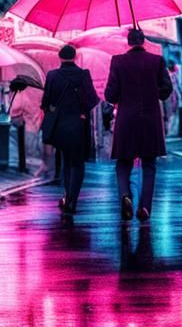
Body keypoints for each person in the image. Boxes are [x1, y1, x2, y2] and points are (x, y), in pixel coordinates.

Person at [104, 27, 173, 222]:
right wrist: (153, 91)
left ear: (128, 42)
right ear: (143, 41)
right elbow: (166, 90)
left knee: (123, 163)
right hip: (150, 119)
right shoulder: (157, 61)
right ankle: (145, 207)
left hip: (126, 119)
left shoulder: (118, 62)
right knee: (149, 165)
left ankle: (125, 194)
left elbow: (110, 95)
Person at [41, 44, 99, 217]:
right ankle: (72, 199)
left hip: (59, 126)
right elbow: (92, 100)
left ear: (60, 57)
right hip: (78, 125)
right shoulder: (83, 75)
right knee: (78, 164)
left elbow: (46, 102)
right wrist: (81, 111)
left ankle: (67, 196)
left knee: (66, 161)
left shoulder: (52, 76)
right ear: (75, 57)